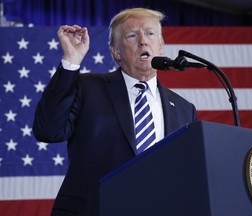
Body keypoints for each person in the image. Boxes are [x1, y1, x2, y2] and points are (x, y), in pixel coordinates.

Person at [33, 7, 197, 216]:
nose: (143, 41)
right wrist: (71, 61)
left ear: (161, 45)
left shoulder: (184, 109)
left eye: (149, 33)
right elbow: (47, 130)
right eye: (132, 35)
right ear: (116, 51)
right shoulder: (87, 88)